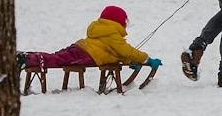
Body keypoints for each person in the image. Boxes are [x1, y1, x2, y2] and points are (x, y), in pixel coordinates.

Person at [19, 5, 163, 75]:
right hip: (86, 55)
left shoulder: (103, 30)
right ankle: (28, 59)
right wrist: (146, 59)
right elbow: (125, 50)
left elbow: (116, 54)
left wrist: (128, 61)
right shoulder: (112, 33)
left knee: (57, 56)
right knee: (57, 60)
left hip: (80, 48)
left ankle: (28, 56)